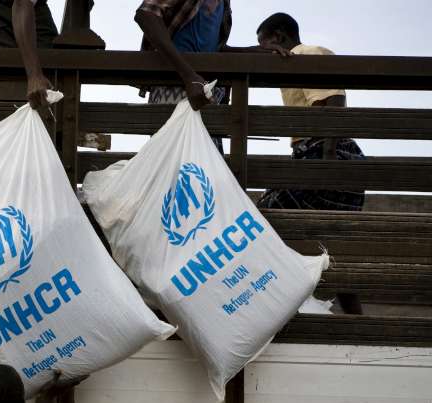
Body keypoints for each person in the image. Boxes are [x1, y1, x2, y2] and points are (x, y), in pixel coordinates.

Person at [255, 12, 365, 314]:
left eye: (262, 45)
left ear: (278, 38)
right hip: (326, 154)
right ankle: (355, 319)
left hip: (326, 152)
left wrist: (327, 162)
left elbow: (334, 101)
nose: (262, 53)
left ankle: (273, 306)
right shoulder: (293, 65)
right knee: (330, 245)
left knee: (262, 215)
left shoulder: (306, 54)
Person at [135, 1, 290, 124]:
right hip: (171, 87)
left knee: (204, 161)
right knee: (172, 160)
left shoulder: (225, 6)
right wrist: (189, 76)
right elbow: (146, 14)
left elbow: (213, 49)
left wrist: (251, 51)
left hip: (206, 93)